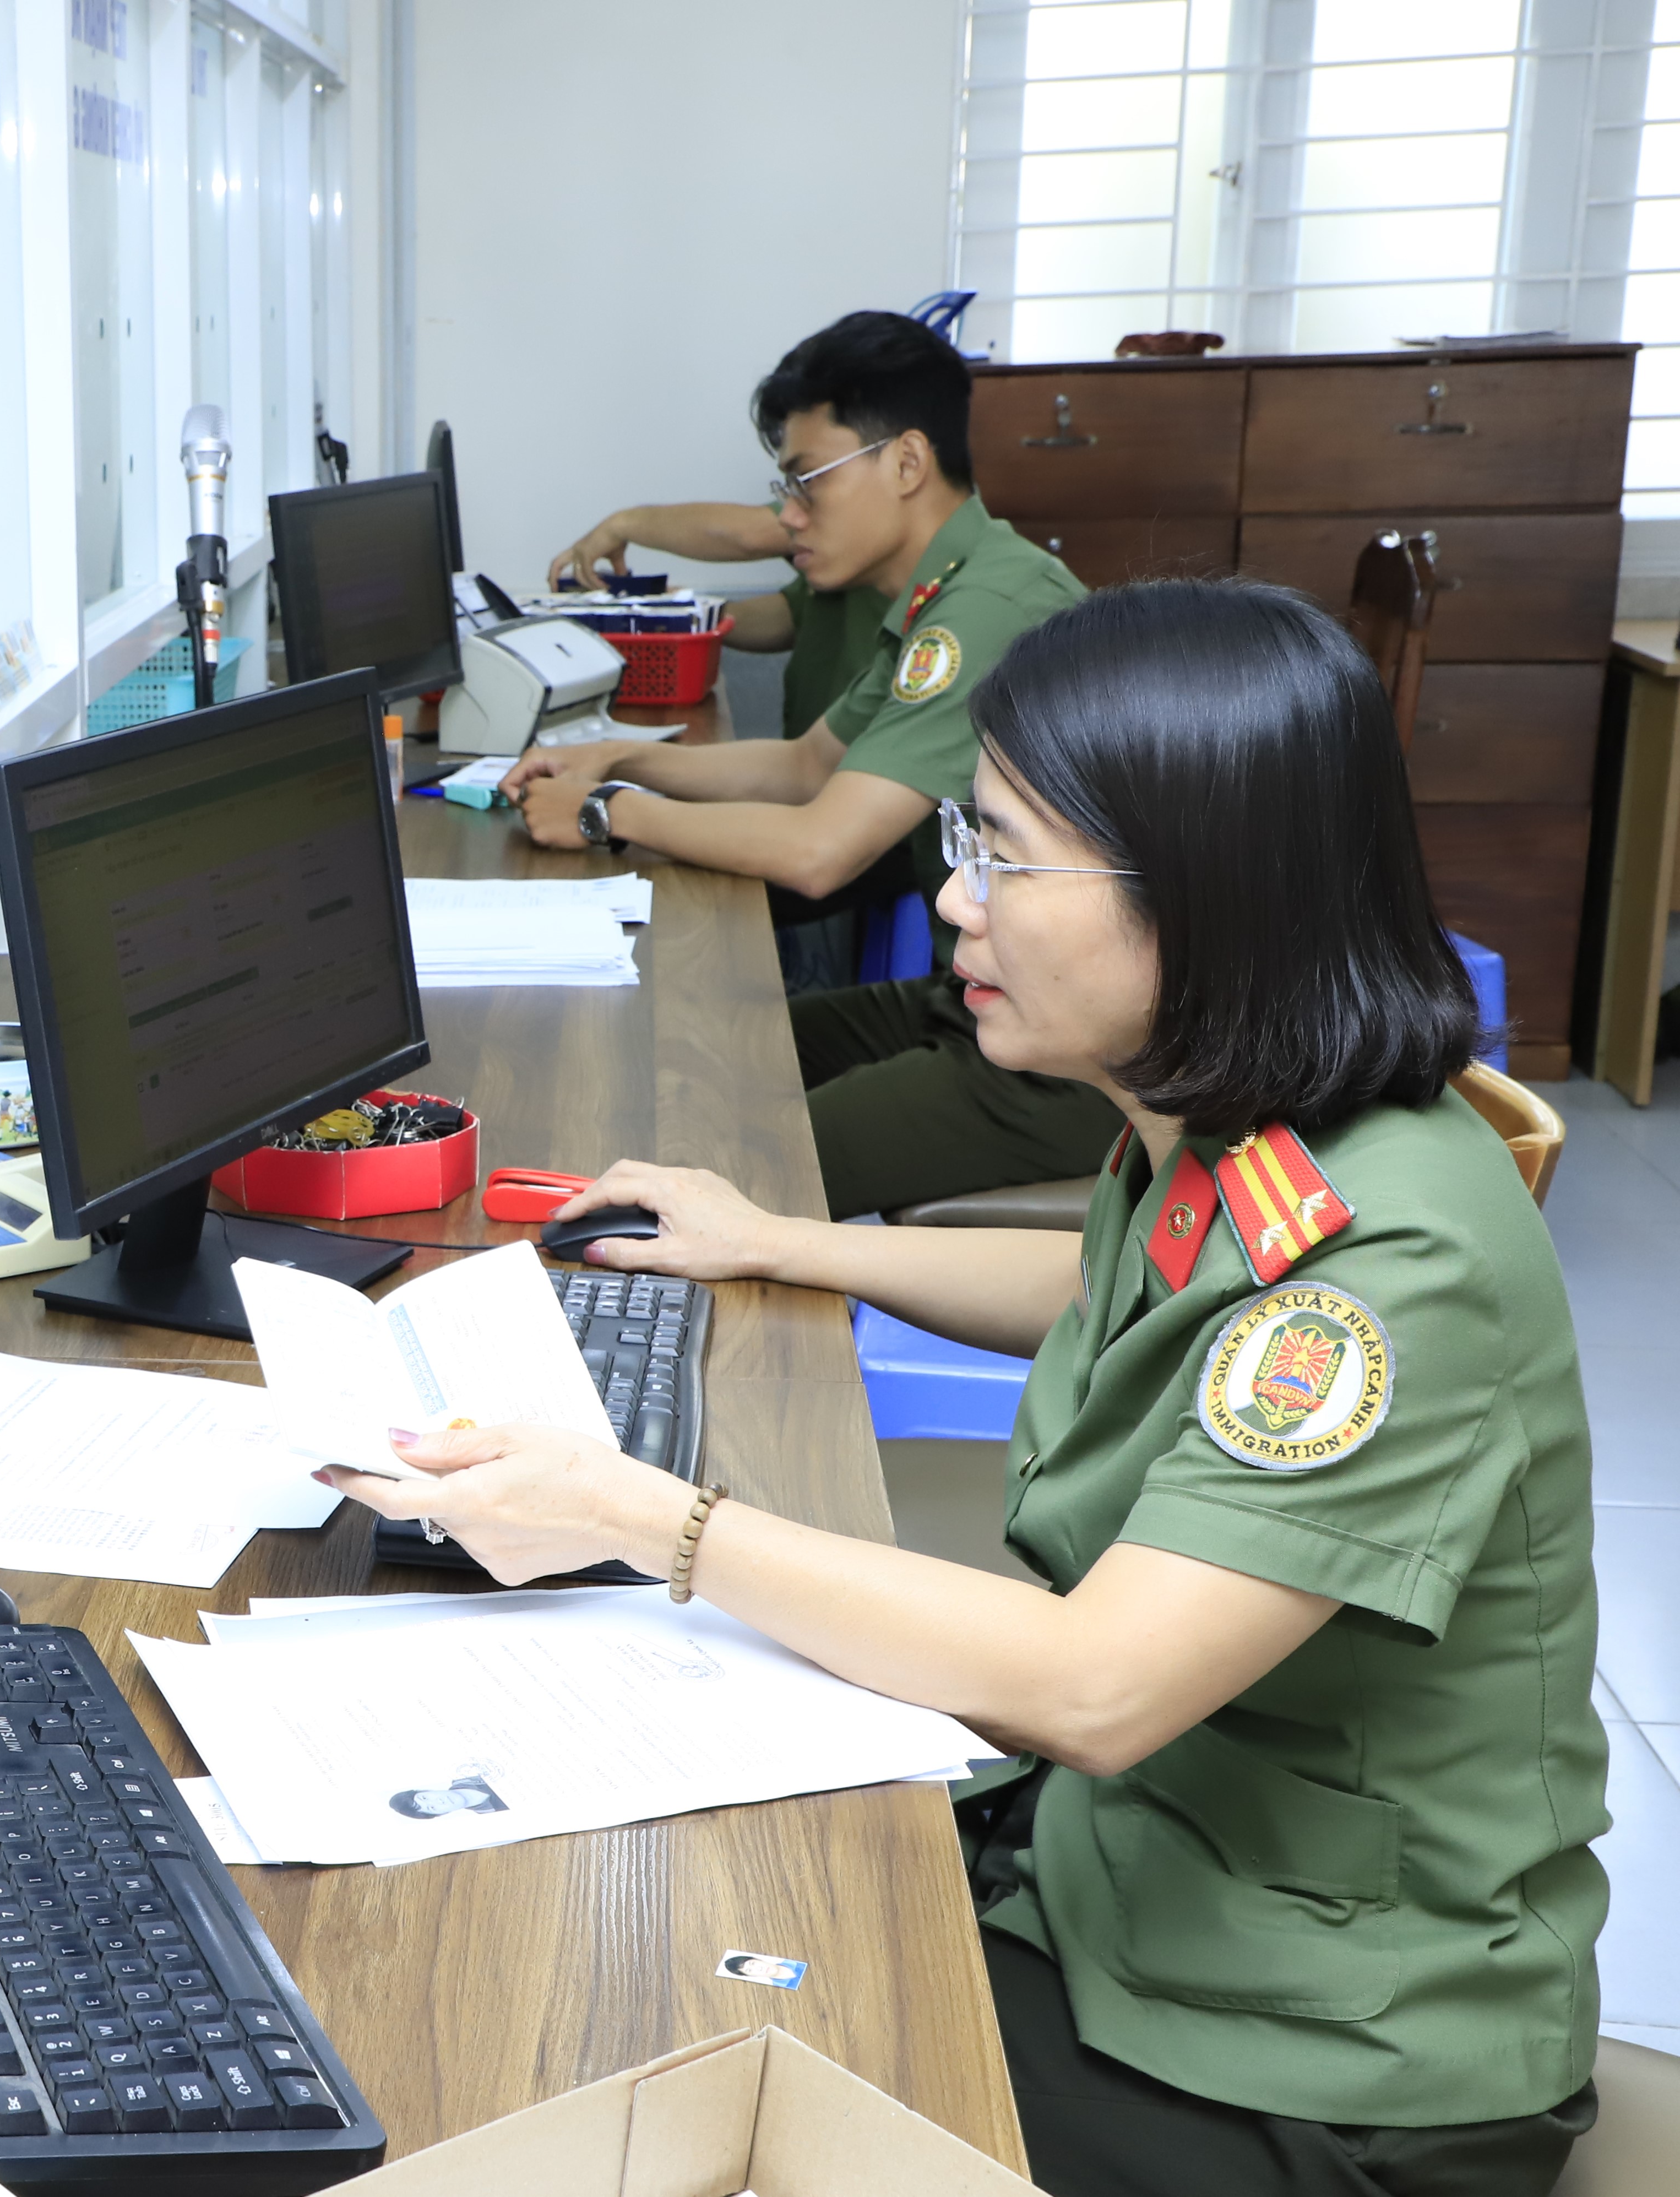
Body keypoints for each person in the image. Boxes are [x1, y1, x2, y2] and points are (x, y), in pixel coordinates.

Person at [339, 583, 1603, 2196]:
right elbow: (1112, 1283)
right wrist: (777, 1239)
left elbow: (1094, 1687)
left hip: (1316, 2054)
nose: (952, 900)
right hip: (1131, 1868)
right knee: (663, 1911)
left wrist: (644, 1515)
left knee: (643, 2032)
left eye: (1004, 855)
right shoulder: (1233, 1119)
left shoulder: (1384, 1268)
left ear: (1200, 889)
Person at [503, 312, 1112, 1218]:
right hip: (983, 998)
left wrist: (609, 810)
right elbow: (802, 765)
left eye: (808, 481)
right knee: (697, 1052)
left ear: (905, 463)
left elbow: (818, 850)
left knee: (723, 1147)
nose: (787, 516)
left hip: (1064, 1060)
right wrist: (618, 755)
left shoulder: (984, 610)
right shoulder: (941, 592)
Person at [547, 497, 888, 745]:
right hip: (815, 759)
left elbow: (749, 535)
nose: (790, 514)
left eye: (809, 475)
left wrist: (623, 525)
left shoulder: (857, 512)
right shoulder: (844, 564)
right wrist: (686, 611)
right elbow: (796, 617)